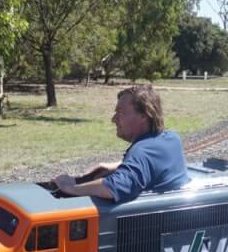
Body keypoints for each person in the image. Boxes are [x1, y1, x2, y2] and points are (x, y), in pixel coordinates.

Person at [54, 84, 190, 202]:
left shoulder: (142, 151)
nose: (114, 119)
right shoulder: (171, 138)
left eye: (120, 112)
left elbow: (114, 187)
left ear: (143, 115)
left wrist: (70, 188)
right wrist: (117, 166)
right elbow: (155, 163)